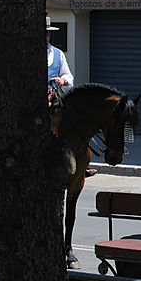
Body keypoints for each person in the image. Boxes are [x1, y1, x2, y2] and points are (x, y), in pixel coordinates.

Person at [47, 16, 95, 178]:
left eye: (48, 34)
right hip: (36, 97)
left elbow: (69, 77)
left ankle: (80, 160)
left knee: (76, 119)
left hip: (55, 96)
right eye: (43, 33)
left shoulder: (58, 54)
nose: (46, 36)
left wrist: (63, 80)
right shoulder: (29, 53)